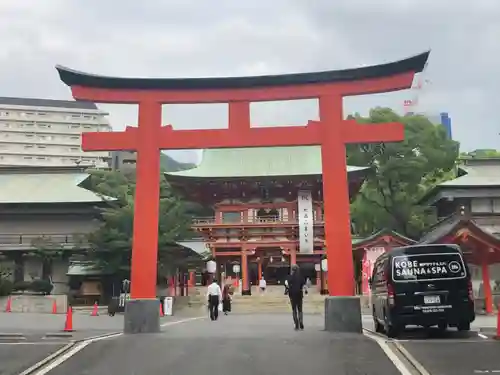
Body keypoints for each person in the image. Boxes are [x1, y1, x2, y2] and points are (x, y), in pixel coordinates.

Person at [285, 264, 307, 330]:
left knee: (294, 310)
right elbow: (304, 285)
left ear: (292, 270)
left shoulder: (289, 277)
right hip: (299, 294)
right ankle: (301, 322)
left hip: (292, 295)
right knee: (300, 309)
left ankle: (296, 324)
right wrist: (306, 291)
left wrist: (287, 290)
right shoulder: (301, 277)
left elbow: (287, 285)